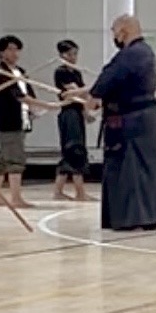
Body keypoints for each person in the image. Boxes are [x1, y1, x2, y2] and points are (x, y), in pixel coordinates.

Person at [75, 14, 156, 232]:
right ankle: (148, 216)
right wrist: (85, 92)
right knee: (145, 170)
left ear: (123, 32)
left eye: (113, 31)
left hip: (130, 123)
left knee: (130, 170)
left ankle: (131, 217)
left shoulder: (129, 55)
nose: (113, 36)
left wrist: (91, 100)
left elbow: (108, 80)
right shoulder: (144, 53)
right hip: (144, 120)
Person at [0, 35, 51, 210]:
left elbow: (28, 93)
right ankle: (16, 198)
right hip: (8, 121)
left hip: (22, 119)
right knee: (15, 158)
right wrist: (48, 105)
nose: (15, 53)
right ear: (2, 51)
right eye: (10, 49)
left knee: (4, 160)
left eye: (17, 49)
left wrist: (37, 108)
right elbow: (18, 96)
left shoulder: (20, 71)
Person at [52, 39, 92, 203]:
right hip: (68, 114)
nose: (73, 57)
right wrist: (91, 89)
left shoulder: (76, 72)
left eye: (75, 54)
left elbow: (82, 96)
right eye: (69, 54)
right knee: (74, 150)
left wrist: (86, 112)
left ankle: (58, 191)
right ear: (62, 55)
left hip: (77, 112)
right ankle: (79, 192)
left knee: (74, 150)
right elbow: (74, 92)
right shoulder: (61, 72)